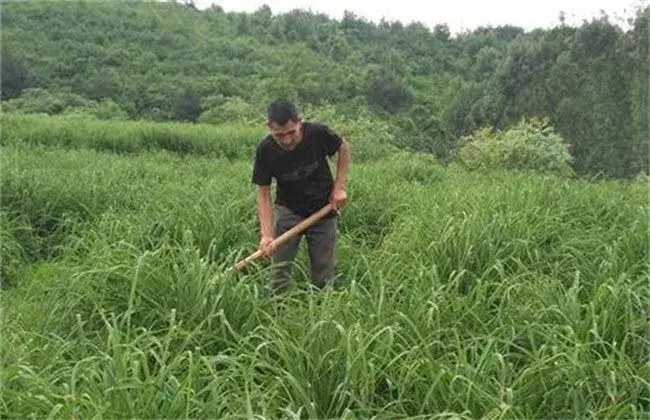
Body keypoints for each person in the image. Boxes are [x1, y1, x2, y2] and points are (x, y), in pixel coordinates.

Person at [251, 99, 351, 295]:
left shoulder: (318, 133)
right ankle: (277, 309)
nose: (287, 140)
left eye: (291, 133)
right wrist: (266, 235)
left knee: (323, 269)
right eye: (280, 135)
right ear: (269, 128)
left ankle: (322, 310)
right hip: (288, 210)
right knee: (279, 269)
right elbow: (263, 193)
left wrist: (340, 187)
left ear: (299, 122)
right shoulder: (266, 149)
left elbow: (343, 147)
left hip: (323, 209)